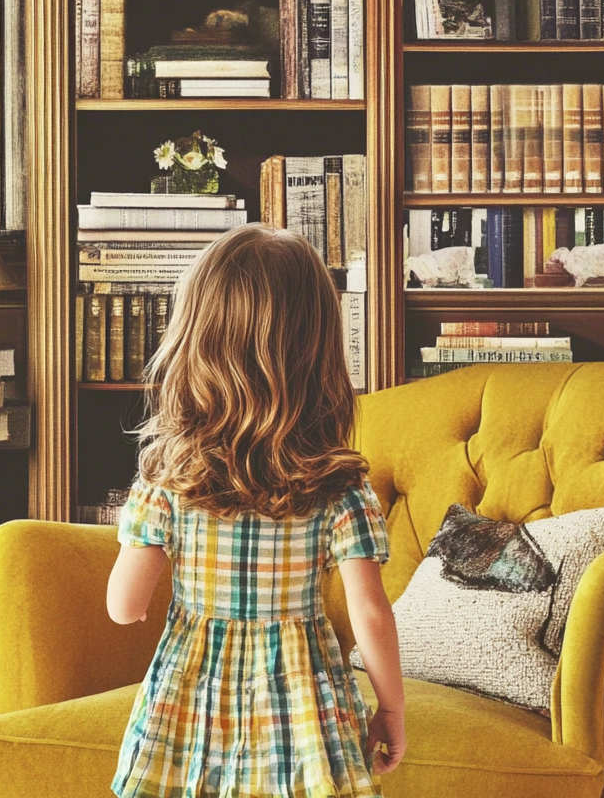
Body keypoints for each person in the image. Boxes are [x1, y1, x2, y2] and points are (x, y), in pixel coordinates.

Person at [106, 225, 405, 798]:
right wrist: (391, 711)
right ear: (317, 349)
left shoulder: (169, 479)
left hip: (188, 704)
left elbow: (124, 607)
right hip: (303, 707)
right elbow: (371, 615)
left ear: (195, 341)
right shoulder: (339, 484)